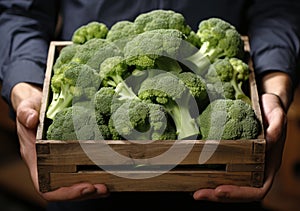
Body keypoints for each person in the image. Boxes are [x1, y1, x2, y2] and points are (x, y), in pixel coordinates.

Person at [0, 0, 299, 210]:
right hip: (87, 178)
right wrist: (26, 90)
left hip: (217, 176)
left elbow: (277, 9)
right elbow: (20, 13)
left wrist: (274, 88)